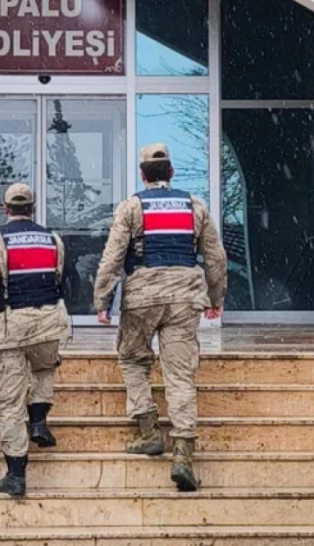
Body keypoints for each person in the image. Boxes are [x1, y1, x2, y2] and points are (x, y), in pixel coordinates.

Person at [93, 143, 227, 492]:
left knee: (133, 358)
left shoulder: (131, 207)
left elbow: (112, 258)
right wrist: (216, 297)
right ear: (171, 173)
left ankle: (149, 431)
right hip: (185, 295)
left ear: (142, 175)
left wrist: (102, 300)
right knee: (180, 373)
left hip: (143, 295)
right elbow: (216, 257)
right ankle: (183, 452)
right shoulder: (194, 206)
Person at [0, 183, 70, 497]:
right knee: (43, 370)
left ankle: (16, 473)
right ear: (32, 208)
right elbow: (58, 275)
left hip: (12, 325)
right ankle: (39, 420)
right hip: (49, 320)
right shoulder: (53, 238)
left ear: (5, 209)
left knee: (10, 402)